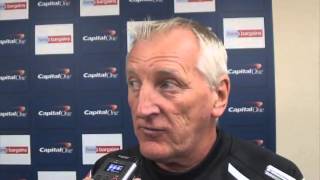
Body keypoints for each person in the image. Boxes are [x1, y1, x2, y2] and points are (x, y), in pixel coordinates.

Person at [87, 17, 303, 180]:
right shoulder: (108, 169)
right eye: (134, 83)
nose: (142, 109)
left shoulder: (270, 175)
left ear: (219, 96)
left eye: (168, 84)